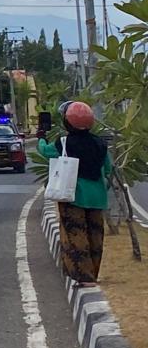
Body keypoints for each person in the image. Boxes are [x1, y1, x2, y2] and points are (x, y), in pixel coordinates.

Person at [39, 100, 113, 286]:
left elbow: (45, 151)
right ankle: (93, 273)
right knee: (95, 236)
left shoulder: (64, 142)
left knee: (76, 235)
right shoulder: (101, 144)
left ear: (68, 122)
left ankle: (84, 277)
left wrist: (41, 137)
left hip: (73, 196)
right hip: (97, 198)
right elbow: (108, 168)